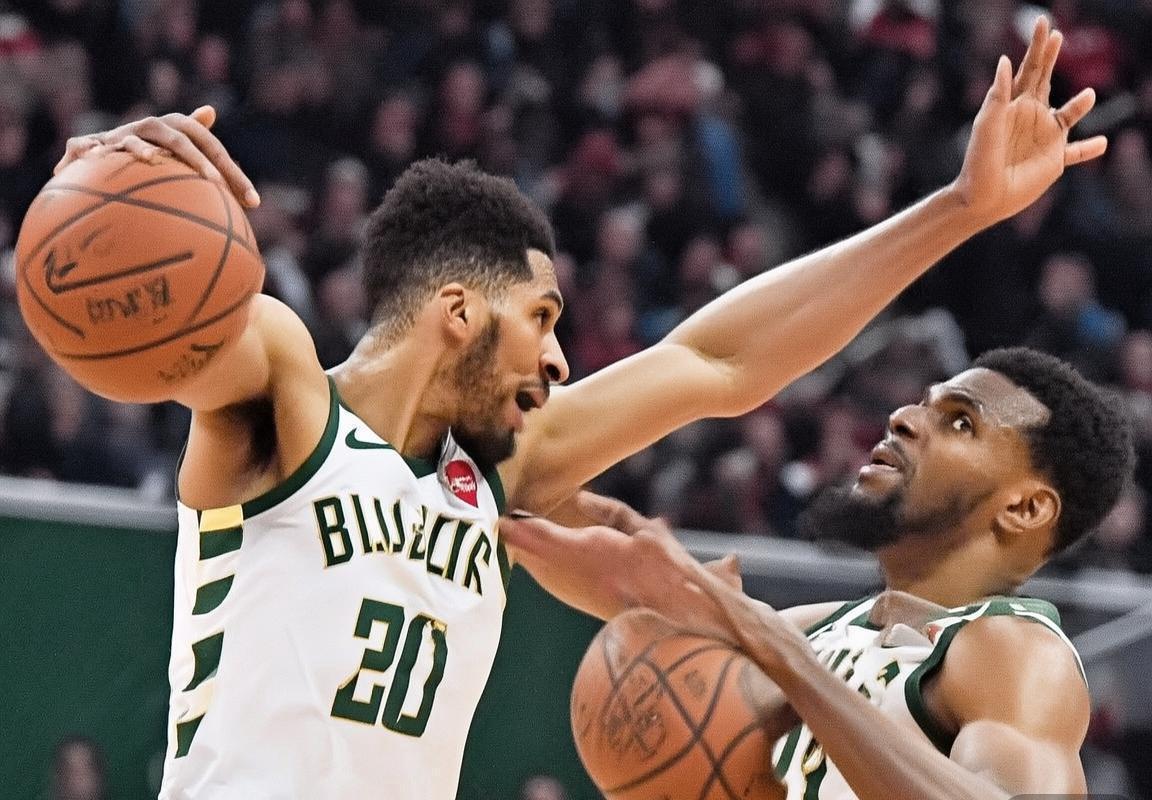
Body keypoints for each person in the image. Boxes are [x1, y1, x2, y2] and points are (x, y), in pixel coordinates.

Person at [55, 18, 1103, 799]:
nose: (559, 359)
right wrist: (102, 194)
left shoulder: (495, 473)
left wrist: (955, 211)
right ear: (458, 313)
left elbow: (718, 358)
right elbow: (162, 337)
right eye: (542, 319)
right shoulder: (285, 405)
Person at [504, 346, 1135, 799]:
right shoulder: (822, 629)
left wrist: (782, 656)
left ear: (1025, 508)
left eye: (960, 422)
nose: (903, 418)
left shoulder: (1014, 651)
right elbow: (632, 587)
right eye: (923, 403)